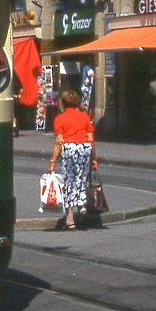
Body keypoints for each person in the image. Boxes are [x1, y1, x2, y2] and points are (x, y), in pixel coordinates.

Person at [47, 87, 96, 230]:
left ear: (63, 102)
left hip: (69, 149)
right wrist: (93, 158)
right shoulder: (85, 117)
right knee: (81, 178)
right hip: (84, 148)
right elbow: (91, 139)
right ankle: (82, 205)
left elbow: (59, 142)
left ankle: (70, 219)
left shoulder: (60, 118)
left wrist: (52, 162)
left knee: (68, 181)